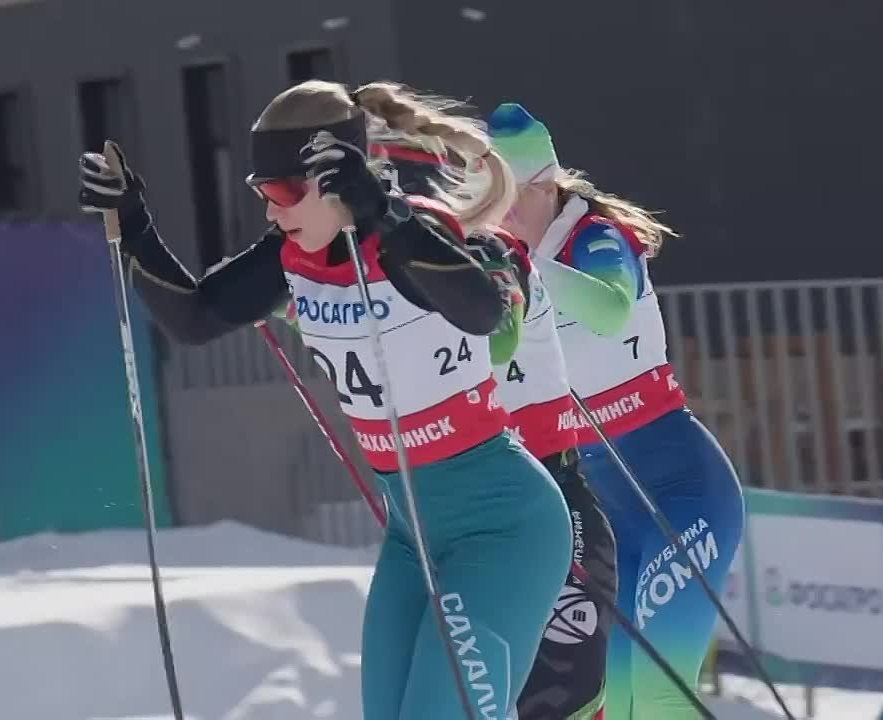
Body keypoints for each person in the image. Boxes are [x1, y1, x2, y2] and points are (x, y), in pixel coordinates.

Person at [77, 80, 573, 720]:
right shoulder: (292, 256)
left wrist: (383, 215)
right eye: (262, 192)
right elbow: (195, 318)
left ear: (336, 181)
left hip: (503, 528)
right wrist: (135, 227)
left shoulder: (411, 234)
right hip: (412, 538)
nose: (271, 211)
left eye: (285, 192)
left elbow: (481, 312)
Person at [488, 102, 746, 720]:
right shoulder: (502, 269)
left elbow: (608, 309)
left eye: (507, 202)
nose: (497, 219)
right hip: (607, 513)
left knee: (660, 696)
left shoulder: (595, 237)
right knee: (612, 700)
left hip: (680, 495)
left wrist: (521, 266)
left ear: (544, 187)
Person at [374, 141, 617, 720]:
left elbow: (499, 337)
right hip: (459, 522)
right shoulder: (409, 280)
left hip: (549, 510)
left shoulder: (495, 255)